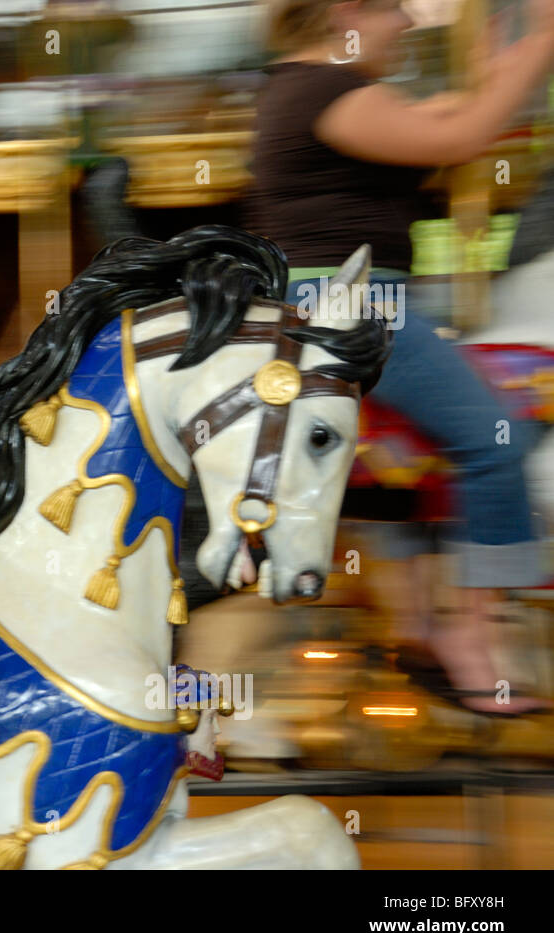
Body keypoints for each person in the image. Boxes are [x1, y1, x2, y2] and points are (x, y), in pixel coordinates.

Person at [248, 0, 554, 715]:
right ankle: (472, 635)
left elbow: (461, 123)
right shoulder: (321, 92)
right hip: (349, 305)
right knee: (493, 441)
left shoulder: (315, 90)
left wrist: (495, 71)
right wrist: (541, 41)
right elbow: (462, 135)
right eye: (394, 10)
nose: (408, 26)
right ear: (345, 13)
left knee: (436, 444)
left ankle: (422, 617)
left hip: (352, 302)